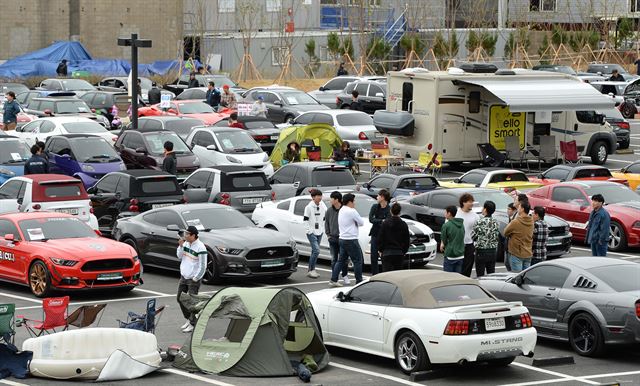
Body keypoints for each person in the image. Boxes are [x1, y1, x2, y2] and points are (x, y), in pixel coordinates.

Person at [176, 225, 207, 333]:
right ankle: (189, 320)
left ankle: (193, 323)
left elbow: (203, 266)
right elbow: (179, 256)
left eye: (187, 234)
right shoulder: (185, 243)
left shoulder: (200, 247)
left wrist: (196, 278)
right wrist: (180, 247)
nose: (185, 235)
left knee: (192, 303)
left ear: (193, 235)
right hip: (184, 276)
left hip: (193, 279)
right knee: (180, 299)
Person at [329, 193, 364, 287]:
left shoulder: (342, 210)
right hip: (351, 239)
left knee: (341, 260)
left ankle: (333, 279)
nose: (355, 203)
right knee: (357, 260)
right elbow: (361, 223)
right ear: (350, 202)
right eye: (354, 201)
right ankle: (359, 281)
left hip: (342, 239)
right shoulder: (352, 211)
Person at [325, 191, 349, 284]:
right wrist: (328, 235)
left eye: (331, 198)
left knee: (344, 259)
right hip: (332, 238)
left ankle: (345, 275)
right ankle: (334, 277)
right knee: (334, 259)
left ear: (336, 200)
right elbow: (326, 223)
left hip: (343, 238)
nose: (330, 200)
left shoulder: (344, 210)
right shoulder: (329, 210)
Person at [377, 203, 410, 272]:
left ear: (390, 211)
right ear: (400, 212)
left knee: (387, 275)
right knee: (397, 276)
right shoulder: (403, 224)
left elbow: (381, 238)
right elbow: (407, 240)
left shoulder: (385, 223)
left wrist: (380, 249)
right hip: (399, 253)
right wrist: (404, 251)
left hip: (387, 252)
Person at [471, 200, 500, 277]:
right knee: (491, 274)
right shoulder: (496, 222)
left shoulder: (480, 221)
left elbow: (473, 236)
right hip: (493, 251)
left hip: (481, 252)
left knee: (480, 275)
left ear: (485, 209)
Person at [503, 201, 534, 272]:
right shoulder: (531, 221)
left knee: (516, 276)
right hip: (528, 252)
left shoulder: (516, 222)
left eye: (519, 207)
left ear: (522, 209)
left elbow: (505, 232)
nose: (517, 209)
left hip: (517, 253)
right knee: (525, 276)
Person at [303, 189, 327, 279]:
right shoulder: (308, 207)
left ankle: (312, 269)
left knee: (314, 251)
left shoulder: (321, 205)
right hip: (312, 231)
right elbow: (305, 220)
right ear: (313, 197)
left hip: (319, 231)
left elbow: (326, 212)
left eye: (320, 196)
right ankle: (311, 270)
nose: (320, 197)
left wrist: (322, 227)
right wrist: (309, 230)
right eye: (318, 196)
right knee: (316, 250)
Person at [456, 193, 479, 277]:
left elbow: (477, 231)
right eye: (469, 201)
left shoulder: (475, 215)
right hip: (457, 244)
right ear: (463, 202)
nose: (472, 203)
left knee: (467, 267)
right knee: (458, 267)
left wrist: (475, 244)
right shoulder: (456, 213)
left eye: (472, 201)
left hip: (469, 244)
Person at [368, 189, 391, 275]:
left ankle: (385, 274)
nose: (377, 197)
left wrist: (377, 220)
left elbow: (388, 221)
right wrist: (381, 221)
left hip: (385, 236)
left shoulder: (389, 208)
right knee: (373, 256)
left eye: (378, 196)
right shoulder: (375, 206)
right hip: (375, 234)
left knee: (384, 256)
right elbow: (371, 219)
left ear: (383, 197)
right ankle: (375, 274)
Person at [440, 205, 465, 273]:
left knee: (448, 278)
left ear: (449, 213)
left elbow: (444, 240)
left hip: (450, 255)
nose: (445, 214)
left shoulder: (446, 225)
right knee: (457, 277)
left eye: (445, 212)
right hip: (460, 255)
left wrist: (442, 245)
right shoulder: (461, 224)